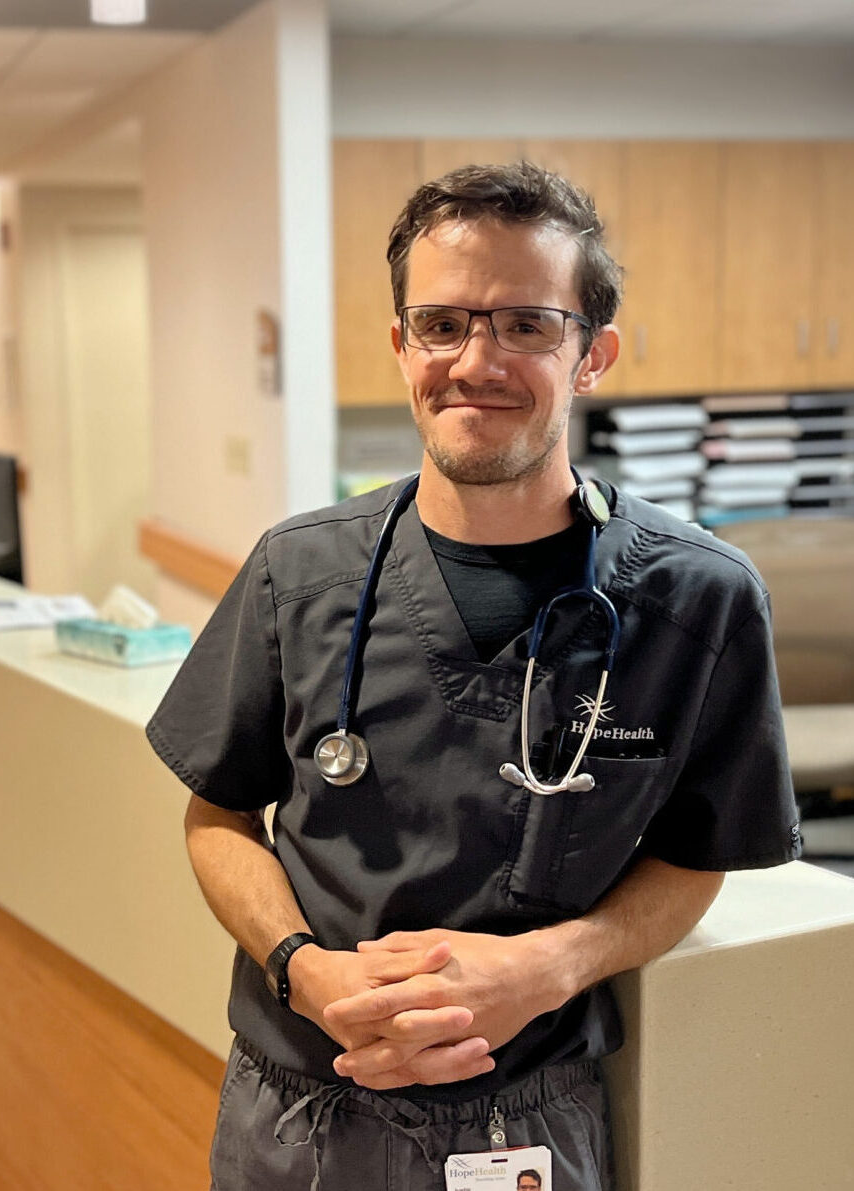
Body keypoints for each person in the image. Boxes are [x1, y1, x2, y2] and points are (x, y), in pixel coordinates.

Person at [145, 161, 800, 1190]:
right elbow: (217, 817)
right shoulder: (298, 569)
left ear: (593, 355)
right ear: (401, 344)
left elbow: (699, 855)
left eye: (526, 325)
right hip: (294, 1102)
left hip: (528, 1117)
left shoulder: (696, 600)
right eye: (442, 323)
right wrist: (303, 972)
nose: (475, 359)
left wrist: (553, 964)